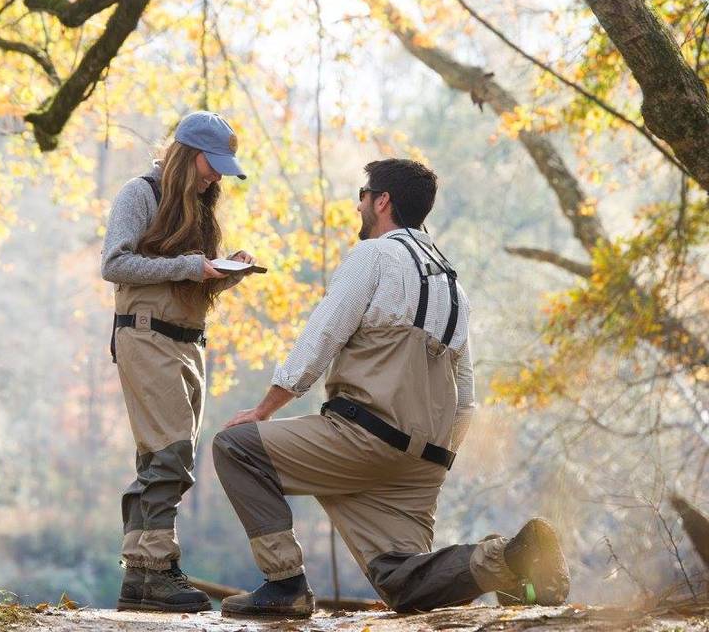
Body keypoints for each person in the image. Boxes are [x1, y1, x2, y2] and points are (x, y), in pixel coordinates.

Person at [211, 158, 570, 618]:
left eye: (364, 194)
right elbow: (467, 396)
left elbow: (322, 336)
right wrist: (432, 463)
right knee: (404, 584)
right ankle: (512, 559)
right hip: (425, 460)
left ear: (382, 201)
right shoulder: (452, 282)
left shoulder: (373, 256)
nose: (359, 203)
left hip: (366, 440)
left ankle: (284, 585)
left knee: (235, 447)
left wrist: (264, 410)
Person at [101, 111, 256, 613]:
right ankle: (159, 570)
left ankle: (141, 578)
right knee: (169, 456)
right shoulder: (138, 193)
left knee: (161, 459)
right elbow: (114, 263)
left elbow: (186, 280)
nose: (217, 177)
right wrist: (191, 265)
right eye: (213, 165)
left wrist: (226, 271)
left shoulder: (199, 204)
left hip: (189, 340)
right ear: (188, 155)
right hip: (148, 337)